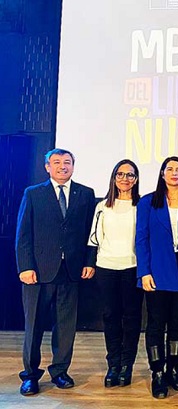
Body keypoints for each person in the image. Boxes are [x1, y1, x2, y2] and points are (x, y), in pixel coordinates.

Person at [15, 148, 96, 396]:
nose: (63, 166)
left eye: (67, 162)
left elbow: (90, 233)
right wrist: (25, 267)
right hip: (38, 272)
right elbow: (23, 234)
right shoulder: (33, 193)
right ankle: (30, 375)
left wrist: (89, 262)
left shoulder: (85, 194)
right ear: (47, 167)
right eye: (57, 162)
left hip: (71, 270)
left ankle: (60, 371)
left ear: (73, 166)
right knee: (34, 326)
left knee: (66, 326)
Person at [136, 156, 178, 399]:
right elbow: (141, 238)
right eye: (169, 169)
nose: (174, 173)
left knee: (177, 324)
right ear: (162, 174)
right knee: (155, 324)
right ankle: (157, 373)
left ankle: (172, 369)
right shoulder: (148, 201)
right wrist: (144, 272)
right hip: (157, 272)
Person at [88, 159, 144, 388]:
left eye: (130, 175)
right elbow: (94, 238)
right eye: (120, 174)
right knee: (110, 316)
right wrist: (90, 263)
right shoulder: (102, 206)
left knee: (131, 318)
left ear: (136, 179)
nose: (125, 179)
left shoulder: (142, 205)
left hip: (133, 267)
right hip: (106, 267)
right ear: (113, 177)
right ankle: (113, 364)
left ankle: (126, 365)